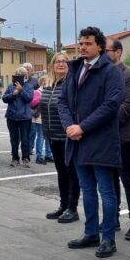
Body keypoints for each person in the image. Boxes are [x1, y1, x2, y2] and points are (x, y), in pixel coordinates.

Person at [57, 26, 124, 258]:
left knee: (106, 191)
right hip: (77, 141)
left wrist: (82, 127)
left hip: (101, 141)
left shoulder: (110, 71)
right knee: (87, 190)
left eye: (88, 43)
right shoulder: (75, 69)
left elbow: (111, 105)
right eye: (81, 43)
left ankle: (108, 239)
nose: (83, 47)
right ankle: (90, 232)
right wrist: (70, 127)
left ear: (100, 46)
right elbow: (62, 101)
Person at [106, 38, 130, 240]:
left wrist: (101, 119)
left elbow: (129, 106)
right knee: (109, 181)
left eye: (107, 50)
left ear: (118, 52)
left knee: (129, 181)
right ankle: (113, 219)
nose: (103, 54)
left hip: (127, 137)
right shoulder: (102, 75)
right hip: (106, 138)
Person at [40, 52, 80, 224]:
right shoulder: (48, 84)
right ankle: (63, 206)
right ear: (52, 65)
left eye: (64, 61)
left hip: (67, 135)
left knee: (71, 173)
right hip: (52, 135)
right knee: (61, 173)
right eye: (57, 61)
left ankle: (72, 208)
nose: (61, 64)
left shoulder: (71, 84)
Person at [3, 66, 35, 167]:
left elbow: (29, 99)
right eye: (17, 75)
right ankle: (15, 158)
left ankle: (26, 158)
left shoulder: (29, 86)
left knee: (25, 139)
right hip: (11, 116)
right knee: (14, 139)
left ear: (25, 76)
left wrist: (21, 90)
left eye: (21, 75)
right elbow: (4, 98)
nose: (18, 77)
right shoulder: (10, 86)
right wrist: (13, 94)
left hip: (25, 117)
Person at [33, 76, 51, 164]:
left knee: (48, 137)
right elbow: (32, 103)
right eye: (47, 81)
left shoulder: (50, 91)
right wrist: (41, 98)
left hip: (49, 117)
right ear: (42, 82)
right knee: (41, 137)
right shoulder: (37, 92)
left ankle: (48, 155)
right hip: (40, 117)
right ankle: (39, 156)